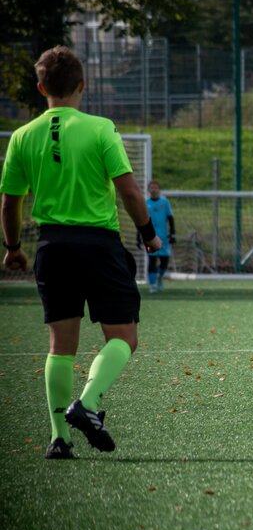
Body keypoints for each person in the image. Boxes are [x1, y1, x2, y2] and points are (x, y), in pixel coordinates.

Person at [0, 45, 162, 460]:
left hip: (51, 247)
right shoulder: (101, 128)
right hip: (98, 245)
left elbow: (10, 203)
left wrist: (13, 248)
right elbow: (129, 191)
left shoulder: (22, 136)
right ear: (82, 85)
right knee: (124, 337)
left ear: (41, 88)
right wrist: (149, 235)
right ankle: (87, 404)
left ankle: (59, 439)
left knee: (60, 346)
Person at [143, 179, 175, 293]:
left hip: (163, 238)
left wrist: (172, 233)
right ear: (148, 190)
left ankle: (159, 278)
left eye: (156, 187)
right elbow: (141, 220)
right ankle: (152, 285)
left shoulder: (165, 203)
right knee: (152, 261)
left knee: (164, 262)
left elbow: (170, 218)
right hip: (150, 237)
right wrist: (139, 236)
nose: (154, 189)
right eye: (152, 187)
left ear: (159, 189)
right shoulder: (145, 203)